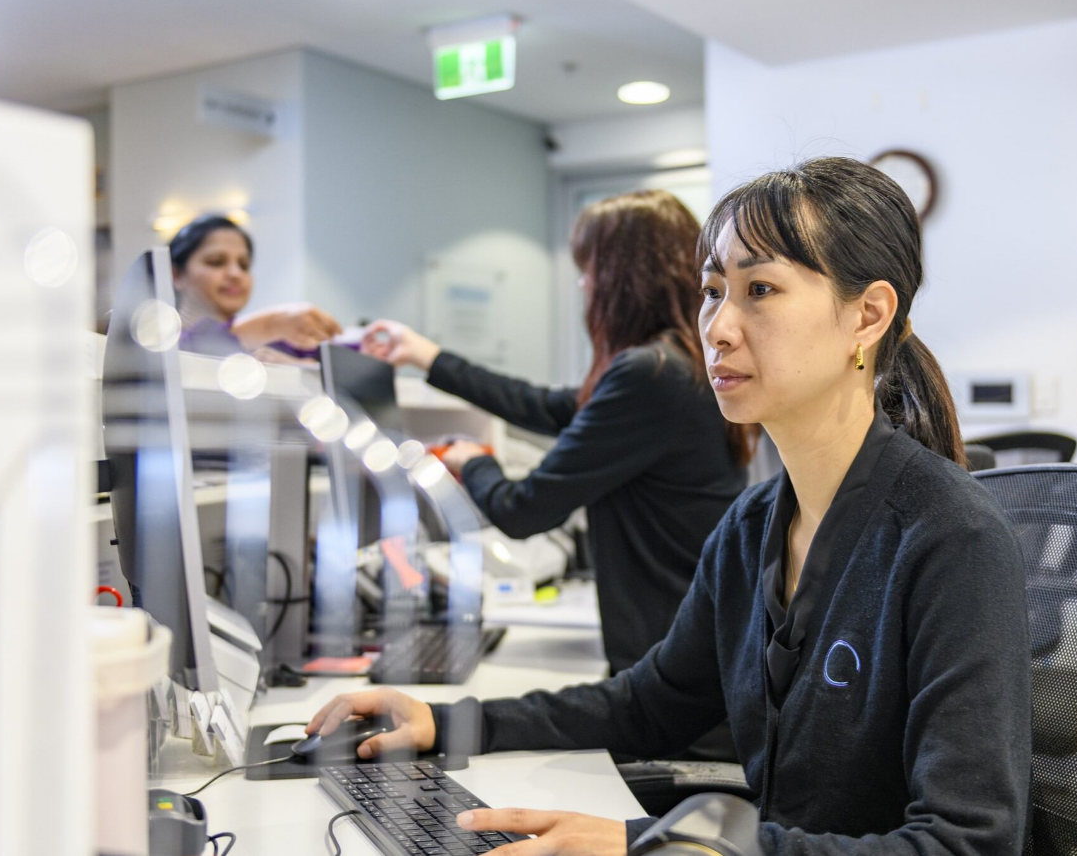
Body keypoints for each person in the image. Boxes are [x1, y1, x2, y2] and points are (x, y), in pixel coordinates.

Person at [311, 158, 1032, 856]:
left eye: (761, 291)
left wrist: (666, 843)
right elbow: (647, 706)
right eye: (713, 289)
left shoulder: (949, 538)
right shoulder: (752, 529)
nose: (717, 326)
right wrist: (446, 721)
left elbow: (965, 841)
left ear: (867, 316)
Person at [362, 190, 754, 679]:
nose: (583, 283)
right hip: (690, 644)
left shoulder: (649, 374)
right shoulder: (679, 361)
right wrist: (426, 357)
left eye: (588, 268)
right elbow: (546, 405)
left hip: (673, 665)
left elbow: (522, 508)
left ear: (619, 278)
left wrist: (472, 462)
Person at [168, 214, 344, 357]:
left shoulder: (276, 343)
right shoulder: (160, 345)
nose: (236, 274)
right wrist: (270, 325)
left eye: (244, 265)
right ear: (176, 274)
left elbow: (334, 358)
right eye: (216, 262)